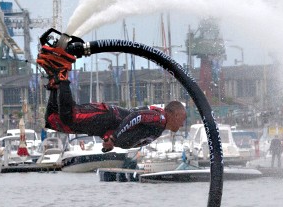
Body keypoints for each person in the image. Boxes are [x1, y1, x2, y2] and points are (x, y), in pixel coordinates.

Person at [36, 44, 186, 152]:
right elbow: (137, 116)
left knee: (53, 120)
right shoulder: (159, 118)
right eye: (182, 119)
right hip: (107, 116)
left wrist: (111, 138)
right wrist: (114, 139)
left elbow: (132, 134)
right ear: (175, 114)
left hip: (104, 127)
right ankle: (61, 74)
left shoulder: (160, 126)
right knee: (70, 117)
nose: (182, 124)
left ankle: (54, 78)